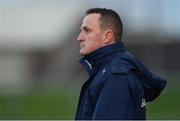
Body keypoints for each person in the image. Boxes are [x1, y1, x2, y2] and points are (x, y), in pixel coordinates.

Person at [75, 8, 167, 120]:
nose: (79, 38)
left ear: (107, 36)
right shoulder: (108, 71)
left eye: (87, 30)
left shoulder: (117, 76)